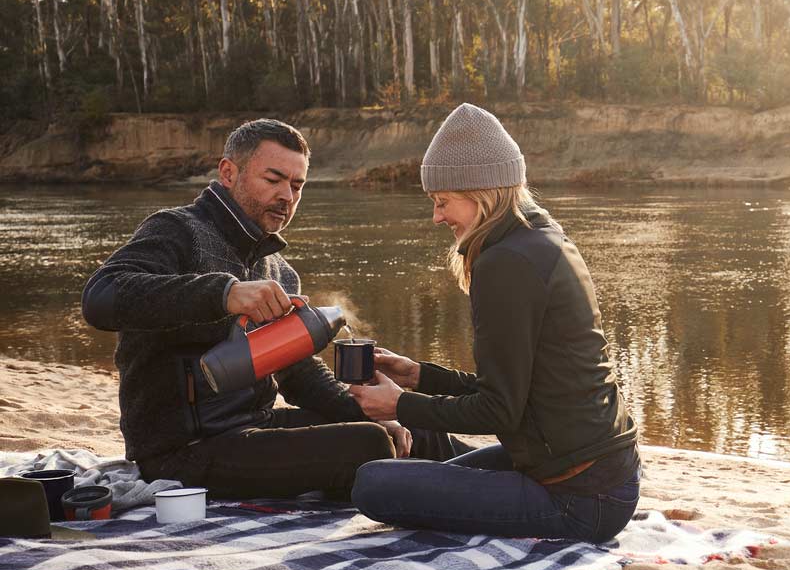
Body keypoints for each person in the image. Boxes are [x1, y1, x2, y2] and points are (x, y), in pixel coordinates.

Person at [81, 119, 438, 498]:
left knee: (413, 426)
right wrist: (225, 293)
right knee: (370, 446)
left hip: (258, 426)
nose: (287, 195)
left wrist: (367, 410)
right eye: (274, 179)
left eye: (297, 185)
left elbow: (296, 372)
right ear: (228, 172)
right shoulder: (177, 230)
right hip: (182, 450)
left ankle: (497, 477)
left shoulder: (279, 271)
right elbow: (100, 297)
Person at [347, 103, 641, 542]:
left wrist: (398, 406)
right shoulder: (540, 236)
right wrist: (419, 376)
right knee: (409, 477)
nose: (437, 216)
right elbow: (514, 390)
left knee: (374, 484)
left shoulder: (506, 263)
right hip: (596, 470)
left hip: (580, 496)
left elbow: (498, 409)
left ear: (480, 191)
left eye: (443, 201)